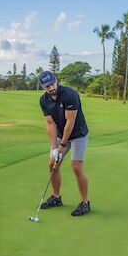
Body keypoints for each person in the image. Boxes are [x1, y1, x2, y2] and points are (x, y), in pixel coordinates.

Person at [38, 70, 91, 216]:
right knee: (52, 164)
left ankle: (85, 203)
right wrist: (55, 148)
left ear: (56, 80)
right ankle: (56, 198)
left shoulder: (70, 94)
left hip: (78, 133)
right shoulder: (44, 101)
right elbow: (50, 124)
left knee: (76, 166)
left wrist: (62, 146)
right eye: (47, 86)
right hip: (61, 134)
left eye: (52, 84)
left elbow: (70, 121)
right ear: (43, 87)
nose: (51, 88)